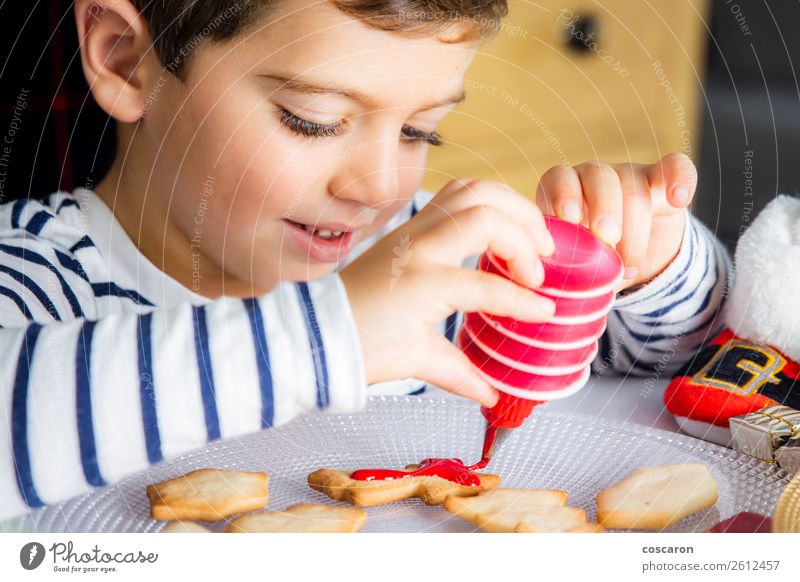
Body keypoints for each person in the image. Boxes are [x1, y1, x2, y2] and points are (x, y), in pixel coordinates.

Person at [0, 0, 728, 520]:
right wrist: (326, 337)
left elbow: (668, 355)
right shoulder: (34, 280)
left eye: (420, 132)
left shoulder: (429, 262)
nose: (380, 187)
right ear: (129, 61)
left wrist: (648, 263)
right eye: (312, 121)